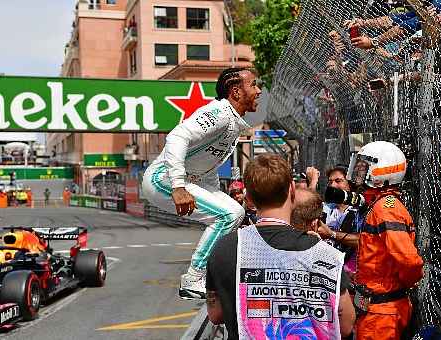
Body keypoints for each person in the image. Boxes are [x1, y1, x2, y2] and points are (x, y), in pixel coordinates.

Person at [206, 153, 356, 339]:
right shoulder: (325, 255)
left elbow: (215, 315)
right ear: (292, 190)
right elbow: (346, 324)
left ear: (249, 198)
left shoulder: (224, 248)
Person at [142, 67, 262, 299]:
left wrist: (215, 195)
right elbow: (178, 136)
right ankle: (194, 278)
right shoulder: (219, 112)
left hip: (185, 180)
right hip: (162, 179)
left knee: (234, 213)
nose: (258, 91)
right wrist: (177, 186)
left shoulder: (233, 122)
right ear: (236, 92)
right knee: (230, 214)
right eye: (254, 85)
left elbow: (205, 166)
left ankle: (212, 274)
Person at [347, 141, 424, 340]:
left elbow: (409, 261)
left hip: (382, 313)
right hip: (378, 309)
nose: (359, 172)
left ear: (381, 173)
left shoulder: (386, 209)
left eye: (364, 167)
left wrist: (399, 285)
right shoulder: (381, 205)